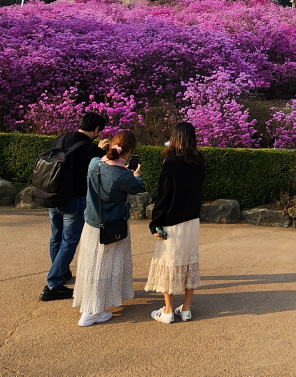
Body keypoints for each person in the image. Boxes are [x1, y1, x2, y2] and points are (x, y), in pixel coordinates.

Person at [74, 129, 146, 327]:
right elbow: (136, 187)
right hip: (113, 225)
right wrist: (137, 175)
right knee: (106, 267)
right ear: (130, 152)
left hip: (91, 223)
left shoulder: (94, 163)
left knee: (91, 264)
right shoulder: (124, 175)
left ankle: (91, 305)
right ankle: (93, 310)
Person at [42, 112, 109, 302]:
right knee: (69, 241)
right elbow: (100, 166)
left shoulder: (60, 139)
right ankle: (53, 284)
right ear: (96, 130)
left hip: (53, 197)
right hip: (74, 200)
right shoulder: (89, 149)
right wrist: (100, 149)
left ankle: (61, 273)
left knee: (56, 237)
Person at [148, 121, 207, 323]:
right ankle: (187, 309)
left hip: (173, 221)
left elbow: (163, 195)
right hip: (192, 220)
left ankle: (168, 310)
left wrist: (155, 222)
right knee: (190, 262)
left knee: (170, 263)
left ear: (175, 138)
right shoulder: (199, 160)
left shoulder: (171, 163)